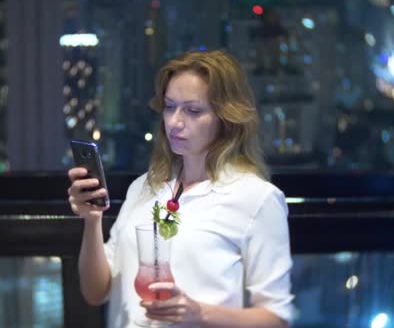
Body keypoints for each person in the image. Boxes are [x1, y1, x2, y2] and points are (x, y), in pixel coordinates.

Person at [68, 50, 294, 327]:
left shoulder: (257, 199)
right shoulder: (144, 187)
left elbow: (276, 319)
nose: (174, 122)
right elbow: (95, 292)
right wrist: (92, 221)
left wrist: (199, 312)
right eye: (169, 106)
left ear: (227, 117)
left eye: (193, 110)